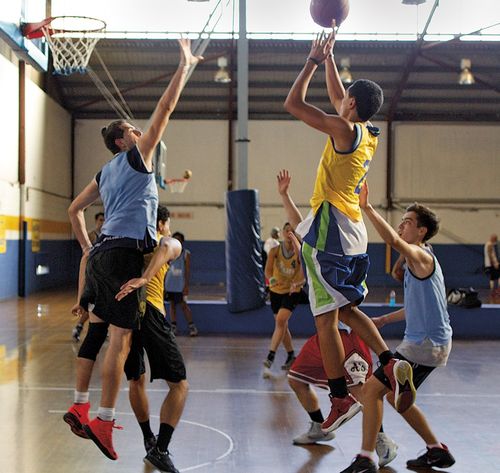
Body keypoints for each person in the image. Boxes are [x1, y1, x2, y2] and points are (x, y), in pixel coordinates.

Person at [65, 38, 202, 461]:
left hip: (104, 252)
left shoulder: (105, 172)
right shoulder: (137, 157)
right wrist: (184, 65)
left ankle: (80, 403)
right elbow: (164, 109)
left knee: (99, 330)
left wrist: (89, 248)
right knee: (120, 341)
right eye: (133, 131)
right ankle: (104, 419)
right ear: (125, 141)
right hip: (124, 254)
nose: (140, 132)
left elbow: (74, 210)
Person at [284, 26, 414, 432]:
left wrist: (311, 60)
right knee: (345, 308)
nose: (339, 101)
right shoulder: (369, 133)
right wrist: (331, 59)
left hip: (330, 233)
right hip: (354, 233)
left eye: (345, 100)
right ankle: (390, 362)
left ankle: (339, 397)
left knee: (324, 319)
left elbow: (293, 103)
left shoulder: (342, 129)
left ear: (352, 104)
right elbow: (340, 95)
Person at [276, 170, 398, 468]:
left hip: (344, 333)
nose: (289, 233)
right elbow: (298, 222)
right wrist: (284, 195)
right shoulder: (313, 234)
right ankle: (320, 424)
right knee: (296, 377)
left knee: (360, 389)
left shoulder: (330, 232)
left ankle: (379, 437)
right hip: (326, 331)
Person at [339, 183, 455, 473]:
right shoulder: (421, 262)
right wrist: (382, 321)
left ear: (422, 232)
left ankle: (364, 458)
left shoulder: (421, 257)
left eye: (408, 222)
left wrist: (366, 208)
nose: (402, 225)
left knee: (370, 390)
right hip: (432, 343)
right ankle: (436, 450)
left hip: (424, 345)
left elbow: (392, 240)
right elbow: (417, 308)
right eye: (401, 221)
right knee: (392, 395)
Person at [64, 206, 186, 472]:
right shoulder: (162, 239)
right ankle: (161, 449)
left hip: (125, 314)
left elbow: (88, 256)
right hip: (151, 312)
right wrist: (144, 278)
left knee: (135, 379)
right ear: (163, 222)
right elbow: (167, 244)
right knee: (180, 386)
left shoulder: (128, 242)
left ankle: (147, 438)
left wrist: (82, 300)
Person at [262, 222, 305, 378]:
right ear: (282, 233)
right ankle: (291, 355)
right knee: (282, 325)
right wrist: (271, 279)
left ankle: (270, 357)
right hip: (276, 292)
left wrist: (297, 283)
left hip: (292, 292)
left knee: (280, 321)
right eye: (286, 230)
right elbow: (267, 270)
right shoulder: (275, 251)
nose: (289, 233)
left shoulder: (300, 252)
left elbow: (303, 274)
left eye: (292, 231)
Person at [71, 212, 106, 342]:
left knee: (97, 305)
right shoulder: (91, 235)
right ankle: (80, 326)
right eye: (100, 220)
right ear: (96, 221)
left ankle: (98, 328)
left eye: (104, 220)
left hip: (103, 275)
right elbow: (87, 255)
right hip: (92, 273)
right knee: (89, 304)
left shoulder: (108, 235)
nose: (102, 222)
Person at [164, 232, 198, 337]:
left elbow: (187, 271)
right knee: (172, 305)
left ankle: (192, 326)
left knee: (183, 305)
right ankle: (174, 327)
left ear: (182, 242)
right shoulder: (168, 253)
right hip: (170, 284)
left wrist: (186, 285)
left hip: (180, 284)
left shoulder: (186, 253)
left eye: (179, 240)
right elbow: (165, 269)